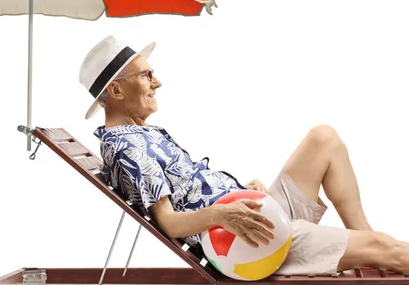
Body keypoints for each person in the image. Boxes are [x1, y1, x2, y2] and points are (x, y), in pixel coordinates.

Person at [78, 35, 409, 276]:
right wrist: (223, 216)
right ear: (116, 91)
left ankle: (368, 244)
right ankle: (377, 250)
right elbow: (170, 222)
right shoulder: (128, 148)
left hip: (250, 218)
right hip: (244, 242)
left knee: (324, 139)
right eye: (146, 75)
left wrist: (241, 193)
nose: (158, 82)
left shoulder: (140, 135)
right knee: (388, 249)